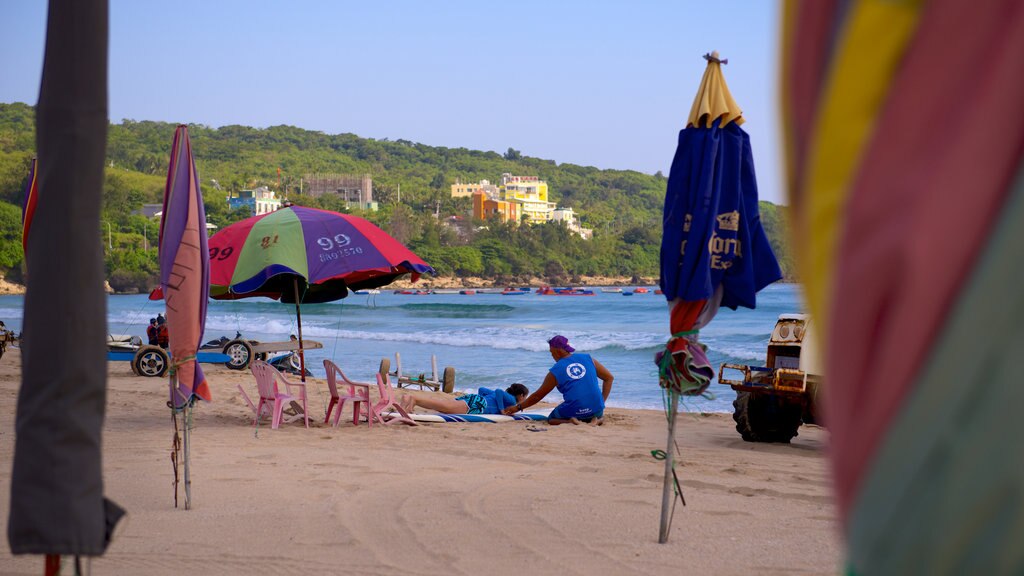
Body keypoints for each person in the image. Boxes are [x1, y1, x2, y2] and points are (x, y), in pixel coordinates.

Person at [504, 335, 614, 425]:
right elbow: (609, 378)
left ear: (558, 351)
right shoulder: (588, 358)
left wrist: (517, 408)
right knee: (594, 412)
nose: (552, 355)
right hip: (597, 410)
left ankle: (570, 421)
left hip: (575, 412)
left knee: (551, 419)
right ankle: (596, 419)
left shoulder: (555, 371)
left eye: (551, 352)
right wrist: (601, 402)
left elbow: (538, 396)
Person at [400, 383, 529, 415]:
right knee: (444, 407)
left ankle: (412, 401)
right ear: (521, 396)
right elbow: (499, 391)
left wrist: (486, 400)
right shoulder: (512, 401)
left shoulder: (502, 398)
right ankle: (413, 398)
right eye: (525, 397)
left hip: (475, 399)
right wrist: (501, 410)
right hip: (477, 404)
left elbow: (482, 389)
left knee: (443, 407)